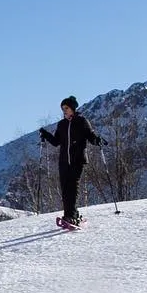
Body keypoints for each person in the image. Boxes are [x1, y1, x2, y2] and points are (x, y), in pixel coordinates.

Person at [39, 96, 103, 227]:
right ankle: (69, 215)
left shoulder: (81, 121)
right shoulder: (61, 124)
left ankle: (72, 216)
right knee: (65, 189)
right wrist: (46, 134)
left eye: (66, 108)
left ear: (73, 108)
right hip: (63, 161)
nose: (64, 111)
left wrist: (98, 140)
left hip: (77, 160)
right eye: (63, 109)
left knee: (72, 188)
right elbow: (56, 142)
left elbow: (91, 136)